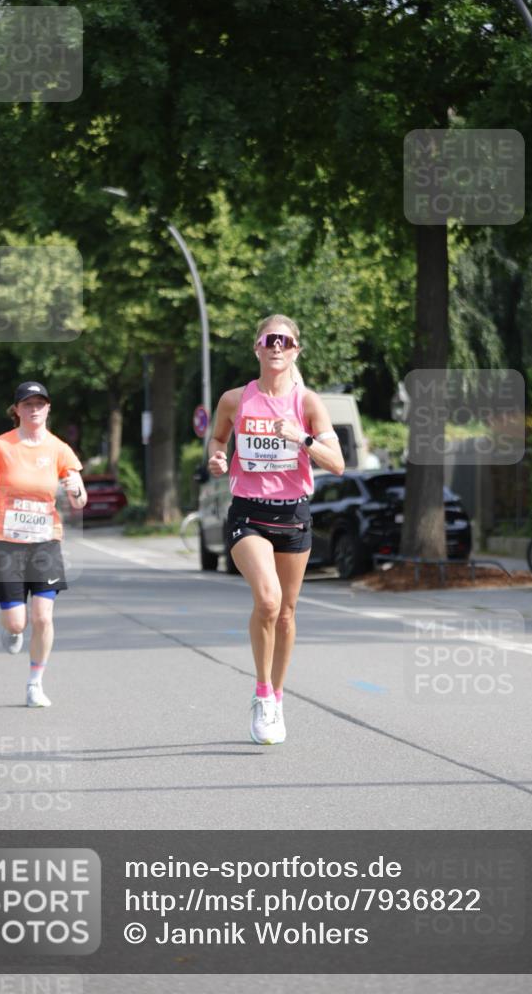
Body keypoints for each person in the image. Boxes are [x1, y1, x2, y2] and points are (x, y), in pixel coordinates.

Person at [207, 315, 344, 744]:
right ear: (258, 348)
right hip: (248, 513)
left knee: (287, 612)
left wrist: (301, 438)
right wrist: (215, 458)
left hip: (294, 516)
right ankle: (262, 695)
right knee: (268, 601)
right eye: (270, 340)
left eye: (285, 341)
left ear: (296, 350)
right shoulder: (235, 399)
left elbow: (337, 464)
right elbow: (217, 441)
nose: (277, 347)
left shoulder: (308, 403)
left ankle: (278, 696)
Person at [0, 381, 87, 708]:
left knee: (43, 617)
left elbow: (79, 502)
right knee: (18, 621)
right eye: (27, 404)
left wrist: (75, 488)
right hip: (6, 542)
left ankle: (35, 683)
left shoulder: (60, 449)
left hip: (46, 542)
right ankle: (12, 629)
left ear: (48, 408)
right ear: (16, 410)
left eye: (40, 403)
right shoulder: (0, 446)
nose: (34, 409)